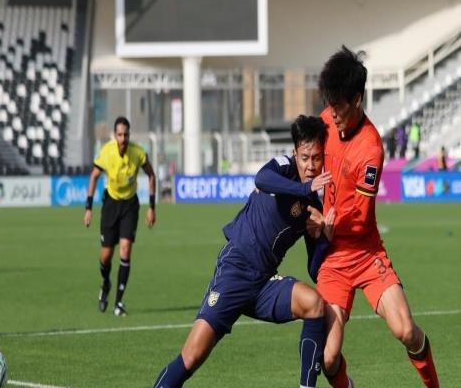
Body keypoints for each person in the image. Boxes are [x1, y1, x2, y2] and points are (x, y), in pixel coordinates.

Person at [154, 115, 335, 388]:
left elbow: (314, 268)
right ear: (295, 153)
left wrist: (322, 238)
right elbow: (261, 178)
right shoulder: (283, 167)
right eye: (305, 157)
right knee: (191, 357)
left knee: (314, 304)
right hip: (235, 270)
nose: (311, 165)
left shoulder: (313, 206)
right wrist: (304, 187)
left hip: (264, 283)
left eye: (317, 158)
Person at [317, 46, 439, 388]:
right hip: (333, 258)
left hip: (366, 253)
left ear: (357, 100)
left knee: (406, 331)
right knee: (328, 357)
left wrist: (325, 221)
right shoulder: (325, 121)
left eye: (338, 105)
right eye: (329, 103)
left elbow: (359, 217)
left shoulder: (371, 148)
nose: (332, 112)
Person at [84, 116, 156, 316]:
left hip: (130, 206)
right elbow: (94, 176)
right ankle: (105, 283)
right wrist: (88, 207)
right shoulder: (107, 152)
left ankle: (118, 302)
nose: (123, 139)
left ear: (129, 135)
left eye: (125, 135)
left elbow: (151, 175)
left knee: (125, 250)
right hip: (111, 205)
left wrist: (151, 207)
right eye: (119, 135)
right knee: (106, 256)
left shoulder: (138, 153)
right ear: (114, 135)